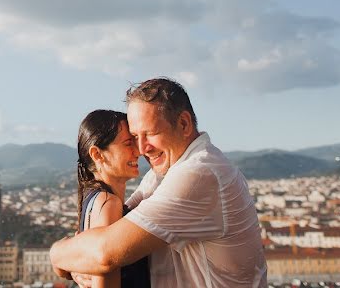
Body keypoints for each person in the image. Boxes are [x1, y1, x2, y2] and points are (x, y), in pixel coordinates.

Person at [51, 78, 267, 288]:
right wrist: (82, 261)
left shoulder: (199, 174)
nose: (142, 148)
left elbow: (104, 252)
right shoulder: (163, 174)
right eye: (135, 137)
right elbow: (111, 235)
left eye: (151, 133)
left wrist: (57, 253)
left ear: (183, 124)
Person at [75, 109, 151, 288]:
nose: (138, 151)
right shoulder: (108, 204)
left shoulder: (94, 200)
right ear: (97, 154)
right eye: (127, 143)